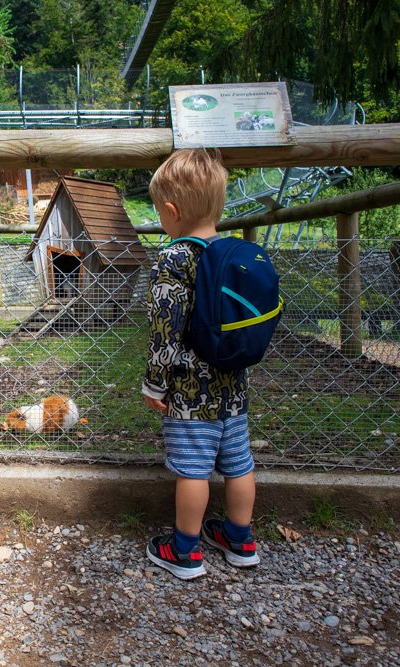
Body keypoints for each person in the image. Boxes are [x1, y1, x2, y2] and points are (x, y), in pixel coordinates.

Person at [142, 148, 260, 580]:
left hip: (190, 393)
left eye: (159, 212)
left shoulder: (174, 259)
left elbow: (164, 328)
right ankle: (240, 539)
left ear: (171, 212)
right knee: (239, 463)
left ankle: (186, 551)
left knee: (192, 470)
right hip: (234, 386)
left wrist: (156, 383)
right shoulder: (236, 254)